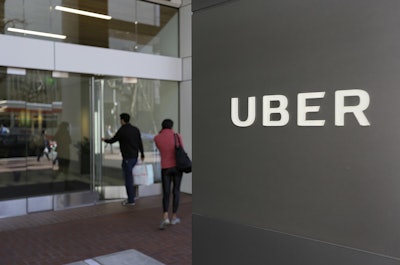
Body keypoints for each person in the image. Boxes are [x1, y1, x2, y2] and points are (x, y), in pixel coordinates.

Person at [102, 113, 145, 206]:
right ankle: (132, 197)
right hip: (134, 157)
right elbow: (140, 142)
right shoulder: (135, 129)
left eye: (120, 120)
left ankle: (131, 200)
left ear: (122, 120)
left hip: (127, 158)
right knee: (131, 177)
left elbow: (113, 140)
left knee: (128, 179)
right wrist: (142, 154)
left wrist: (104, 140)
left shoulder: (122, 130)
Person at [154, 119, 184, 229]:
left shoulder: (157, 137)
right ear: (172, 126)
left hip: (165, 168)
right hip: (177, 167)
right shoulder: (177, 136)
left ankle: (165, 216)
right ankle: (174, 217)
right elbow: (181, 149)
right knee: (176, 191)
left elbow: (160, 149)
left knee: (166, 192)